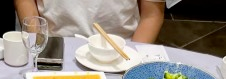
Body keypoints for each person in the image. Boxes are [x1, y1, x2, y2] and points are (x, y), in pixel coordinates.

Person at [14, 0, 165, 42]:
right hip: (55, 46)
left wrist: (133, 59)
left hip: (120, 49)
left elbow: (152, 14)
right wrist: (38, 44)